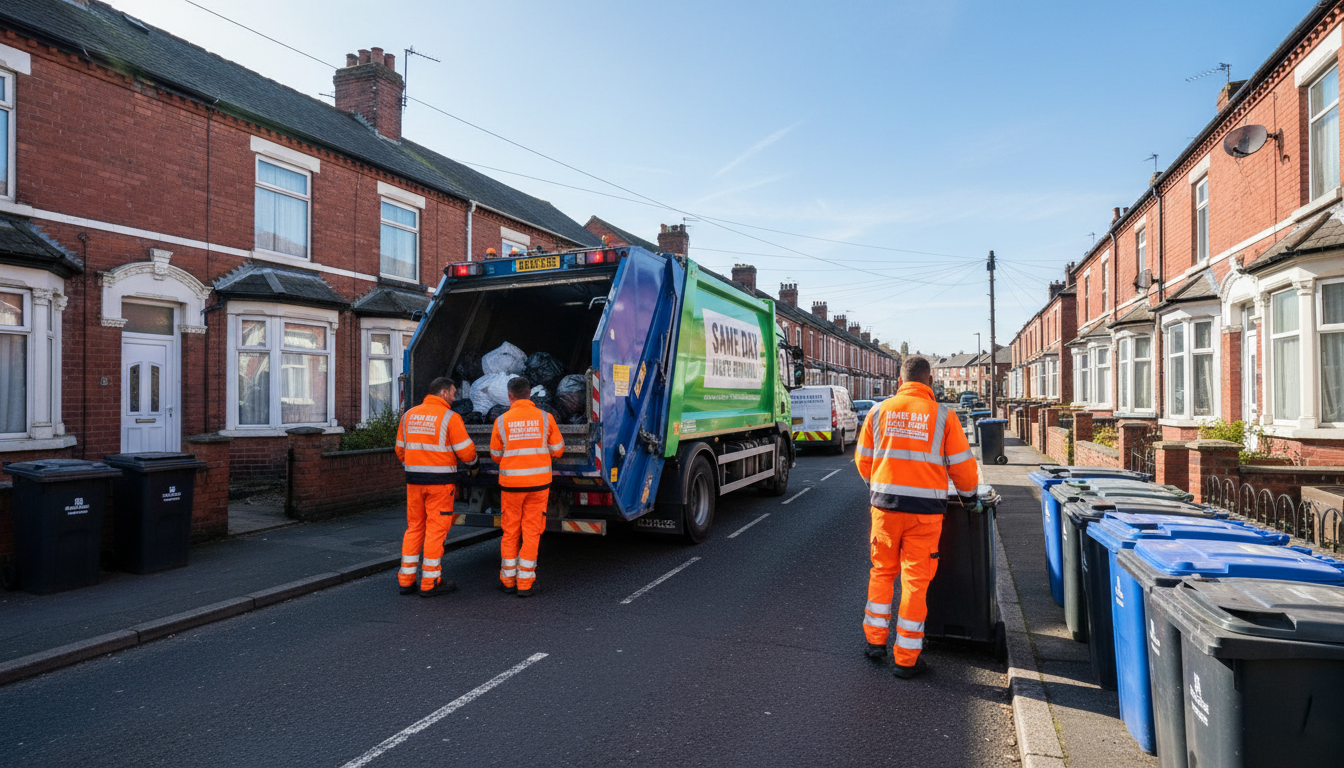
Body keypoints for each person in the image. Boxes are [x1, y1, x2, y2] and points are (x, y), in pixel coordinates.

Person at [855, 355, 979, 678]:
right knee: (914, 581)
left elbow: (863, 460)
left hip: (885, 509)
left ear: (900, 381)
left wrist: (879, 488)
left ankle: (874, 642)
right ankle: (906, 660)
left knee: (882, 571)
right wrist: (969, 499)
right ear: (930, 382)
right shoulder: (943, 416)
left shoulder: (878, 411)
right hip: (924, 514)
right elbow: (963, 468)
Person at [394, 377, 478, 597]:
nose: (454, 398)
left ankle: (406, 580)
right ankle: (430, 582)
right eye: (453, 393)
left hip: (414, 482)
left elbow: (400, 450)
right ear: (443, 392)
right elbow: (466, 453)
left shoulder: (408, 416)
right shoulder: (450, 417)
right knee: (435, 530)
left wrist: (414, 466)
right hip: (440, 484)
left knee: (414, 528)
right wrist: (475, 465)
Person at [490, 375, 564, 597]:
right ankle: (525, 583)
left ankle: (507, 581)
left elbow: (495, 455)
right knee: (532, 531)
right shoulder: (545, 418)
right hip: (538, 485)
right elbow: (558, 449)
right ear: (529, 394)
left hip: (511, 485)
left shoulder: (501, 421)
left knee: (510, 531)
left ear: (510, 396)